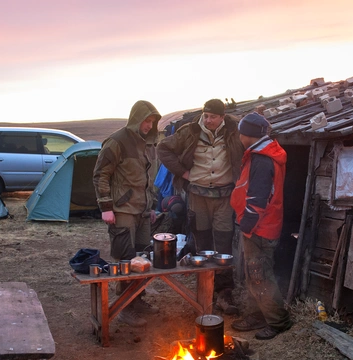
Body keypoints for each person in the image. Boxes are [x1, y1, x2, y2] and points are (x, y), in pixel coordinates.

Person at [157, 99, 244, 315]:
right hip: (197, 194)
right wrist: (182, 172)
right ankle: (205, 293)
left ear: (222, 117)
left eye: (213, 116)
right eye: (206, 115)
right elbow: (163, 148)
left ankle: (224, 293)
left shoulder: (234, 131)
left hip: (225, 196)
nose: (208, 120)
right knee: (201, 242)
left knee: (224, 243)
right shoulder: (190, 131)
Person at [93, 101, 161, 327]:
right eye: (145, 120)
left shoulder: (150, 144)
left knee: (142, 259)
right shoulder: (117, 141)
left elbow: (148, 181)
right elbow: (100, 175)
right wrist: (106, 208)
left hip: (142, 211)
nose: (148, 125)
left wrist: (150, 207)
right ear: (136, 119)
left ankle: (137, 299)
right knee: (125, 260)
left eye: (151, 122)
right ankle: (124, 307)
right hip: (122, 210)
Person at [230, 113, 292, 340]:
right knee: (254, 273)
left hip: (259, 228)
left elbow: (258, 200)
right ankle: (258, 315)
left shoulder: (262, 160)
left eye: (240, 132)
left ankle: (278, 322)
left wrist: (246, 225)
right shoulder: (262, 154)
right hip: (262, 226)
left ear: (247, 135)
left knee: (260, 275)